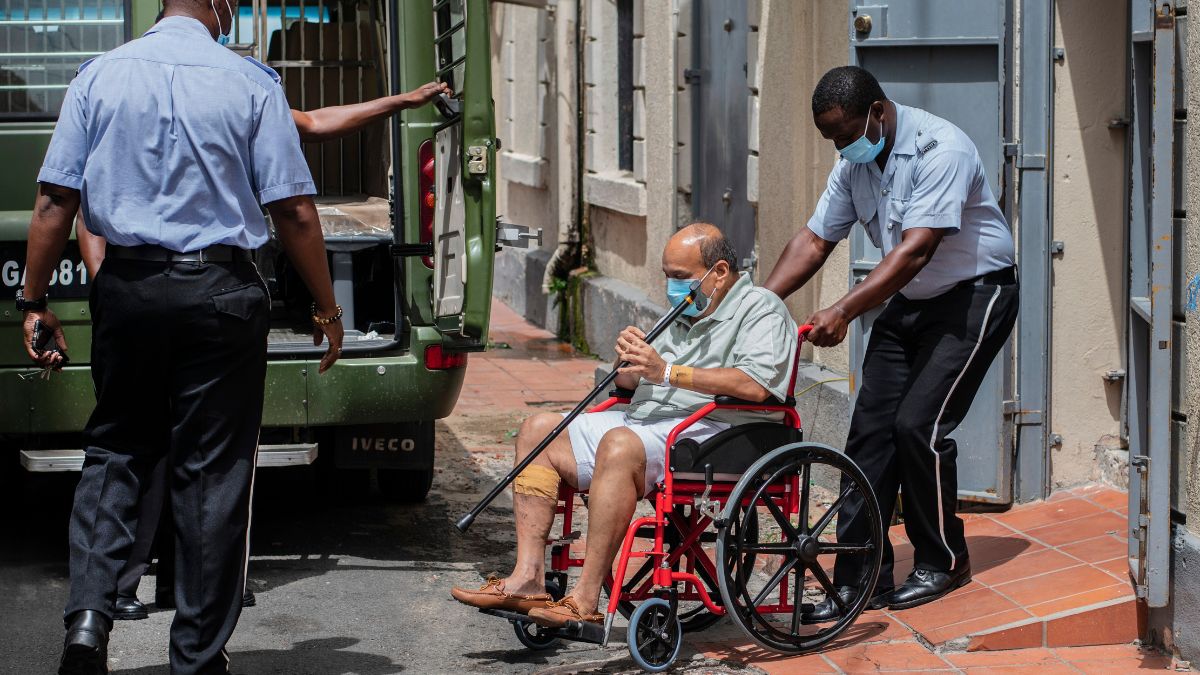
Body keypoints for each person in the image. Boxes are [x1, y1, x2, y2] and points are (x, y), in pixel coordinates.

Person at [19, 0, 345, 671]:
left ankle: (87, 618)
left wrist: (34, 298)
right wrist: (326, 305)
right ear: (216, 3)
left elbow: (55, 201)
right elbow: (294, 211)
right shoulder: (250, 82)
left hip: (129, 290)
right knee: (213, 470)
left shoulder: (97, 77)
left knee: (116, 448)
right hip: (220, 295)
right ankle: (195, 655)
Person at [83, 79, 451, 622]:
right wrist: (328, 311)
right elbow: (83, 209)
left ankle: (149, 590)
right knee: (191, 451)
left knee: (157, 448)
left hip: (151, 298)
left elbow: (317, 121)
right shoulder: (148, 104)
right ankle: (154, 587)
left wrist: (397, 102)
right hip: (193, 295)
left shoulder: (201, 98)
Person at [761, 65, 1019, 619]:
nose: (841, 146)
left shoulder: (940, 149)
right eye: (832, 139)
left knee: (918, 427)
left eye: (847, 134)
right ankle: (857, 580)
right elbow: (814, 239)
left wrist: (843, 309)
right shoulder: (854, 165)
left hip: (976, 295)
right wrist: (756, 304)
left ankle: (943, 560)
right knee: (872, 433)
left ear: (878, 111)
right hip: (914, 298)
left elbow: (916, 250)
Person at [450, 223, 798, 628]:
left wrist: (667, 371)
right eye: (667, 275)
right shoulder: (685, 310)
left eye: (680, 277)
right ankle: (528, 577)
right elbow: (641, 380)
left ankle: (584, 600)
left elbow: (756, 385)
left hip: (720, 428)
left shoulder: (762, 308)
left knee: (619, 444)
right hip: (650, 419)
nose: (671, 286)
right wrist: (629, 366)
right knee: (537, 430)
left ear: (718, 271)